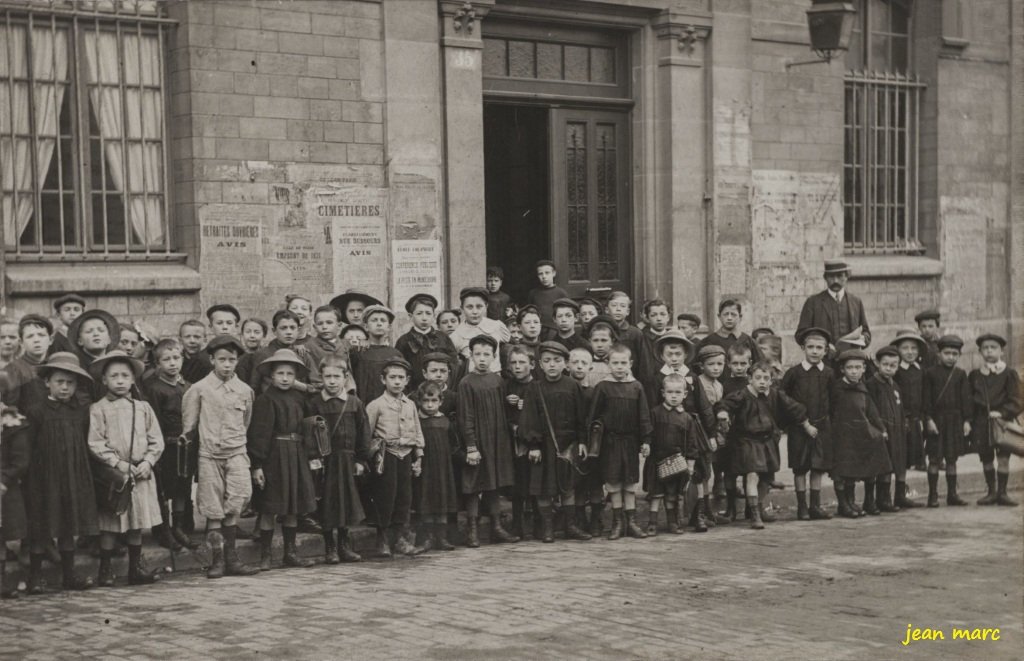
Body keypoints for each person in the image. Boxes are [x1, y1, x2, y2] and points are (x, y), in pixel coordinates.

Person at [180, 335, 260, 579]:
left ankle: (233, 559)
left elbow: (246, 422)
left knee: (235, 502)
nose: (227, 364)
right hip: (209, 456)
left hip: (236, 453)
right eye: (222, 359)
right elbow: (189, 427)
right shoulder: (199, 389)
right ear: (212, 360)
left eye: (232, 360)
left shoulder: (244, 390)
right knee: (213, 508)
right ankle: (217, 561)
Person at [87, 351, 164, 587]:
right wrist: (118, 463)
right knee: (110, 524)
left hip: (140, 473)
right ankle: (105, 570)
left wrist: (148, 462)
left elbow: (156, 440)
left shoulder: (143, 408)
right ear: (104, 380)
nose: (120, 381)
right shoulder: (98, 409)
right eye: (114, 376)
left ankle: (135, 569)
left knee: (136, 523)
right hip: (115, 476)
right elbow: (95, 442)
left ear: (132, 379)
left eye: (125, 376)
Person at [717, 361, 812, 529]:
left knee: (766, 478)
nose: (762, 382)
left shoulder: (775, 394)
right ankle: (754, 515)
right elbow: (725, 404)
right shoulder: (742, 395)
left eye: (766, 378)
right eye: (758, 378)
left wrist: (807, 425)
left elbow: (794, 408)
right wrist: (723, 414)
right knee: (752, 474)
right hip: (747, 441)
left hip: (768, 441)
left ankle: (758, 506)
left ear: (771, 380)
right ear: (750, 379)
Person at [248, 348, 318, 570]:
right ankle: (266, 555)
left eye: (290, 374)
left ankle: (290, 553)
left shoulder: (300, 398)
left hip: (296, 455)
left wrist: (311, 455)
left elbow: (307, 427)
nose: (285, 378)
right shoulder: (265, 399)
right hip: (274, 458)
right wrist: (257, 465)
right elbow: (259, 435)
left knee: (292, 507)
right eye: (280, 373)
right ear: (271, 375)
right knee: (269, 507)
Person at [517, 341, 591, 543]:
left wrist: (582, 441)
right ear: (540, 364)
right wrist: (533, 445)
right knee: (543, 487)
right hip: (543, 446)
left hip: (567, 445)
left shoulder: (573, 386)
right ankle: (547, 527)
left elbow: (581, 417)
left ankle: (570, 525)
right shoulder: (535, 388)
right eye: (547, 361)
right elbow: (529, 418)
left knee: (568, 486)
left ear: (565, 364)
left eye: (557, 360)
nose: (552, 365)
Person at [308, 355, 372, 562]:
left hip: (347, 460)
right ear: (321, 378)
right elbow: (309, 433)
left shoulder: (354, 403)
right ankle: (330, 547)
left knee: (346, 501)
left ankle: (344, 545)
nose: (332, 381)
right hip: (325, 461)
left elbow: (363, 432)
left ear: (345, 378)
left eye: (337, 376)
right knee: (327, 503)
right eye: (328, 377)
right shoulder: (315, 403)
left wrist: (361, 460)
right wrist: (314, 458)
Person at [587, 344, 653, 540]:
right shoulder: (603, 387)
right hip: (610, 442)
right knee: (614, 481)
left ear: (630, 364)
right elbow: (593, 417)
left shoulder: (636, 387)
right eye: (615, 363)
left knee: (630, 482)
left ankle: (631, 522)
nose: (619, 367)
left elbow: (644, 416)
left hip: (630, 441)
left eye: (623, 363)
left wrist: (646, 440)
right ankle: (617, 522)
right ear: (608, 364)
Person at [458, 334, 518, 547]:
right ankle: (472, 530)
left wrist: (512, 402)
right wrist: (471, 446)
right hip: (478, 441)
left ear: (493, 357)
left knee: (494, 483)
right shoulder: (466, 383)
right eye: (478, 354)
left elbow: (503, 411)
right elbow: (465, 416)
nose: (482, 359)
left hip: (497, 440)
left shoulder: (498, 381)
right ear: (471, 356)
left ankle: (496, 527)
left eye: (486, 354)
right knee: (474, 484)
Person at [141, 339, 197, 553]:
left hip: (185, 447)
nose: (172, 363)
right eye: (166, 359)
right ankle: (164, 530)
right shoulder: (154, 388)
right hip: (165, 448)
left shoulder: (189, 387)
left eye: (176, 358)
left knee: (183, 486)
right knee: (164, 489)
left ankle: (179, 527)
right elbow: (153, 421)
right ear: (158, 363)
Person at [366, 358, 424, 558]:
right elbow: (367, 434)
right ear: (383, 380)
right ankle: (382, 539)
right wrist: (370, 456)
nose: (397, 382)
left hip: (405, 455)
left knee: (403, 497)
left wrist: (418, 457)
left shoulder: (411, 405)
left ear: (407, 380)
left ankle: (400, 539)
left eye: (401, 378)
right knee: (385, 497)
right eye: (392, 377)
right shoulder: (376, 405)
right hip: (386, 456)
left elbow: (417, 432)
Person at [780, 327, 835, 521]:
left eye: (819, 348)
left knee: (818, 467)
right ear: (803, 348)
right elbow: (783, 397)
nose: (814, 351)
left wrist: (827, 424)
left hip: (821, 427)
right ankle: (802, 507)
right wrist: (800, 420)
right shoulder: (794, 373)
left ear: (826, 350)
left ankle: (815, 506)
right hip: (799, 429)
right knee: (800, 467)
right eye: (810, 347)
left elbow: (833, 400)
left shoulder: (829, 373)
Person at [830, 349, 892, 518]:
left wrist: (882, 429)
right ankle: (845, 503)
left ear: (864, 368)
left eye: (858, 367)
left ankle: (866, 501)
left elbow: (872, 411)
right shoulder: (837, 389)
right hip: (843, 435)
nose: (854, 371)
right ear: (842, 369)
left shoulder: (862, 388)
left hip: (861, 433)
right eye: (850, 368)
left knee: (870, 461)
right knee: (844, 471)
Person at [969, 333, 1021, 506]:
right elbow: (970, 400)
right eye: (985, 348)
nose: (989, 351)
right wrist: (970, 421)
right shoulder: (975, 375)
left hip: (1002, 423)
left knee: (1003, 457)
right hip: (981, 422)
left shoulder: (1009, 374)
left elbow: (1018, 399)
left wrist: (1003, 412)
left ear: (1001, 351)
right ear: (980, 352)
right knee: (986, 457)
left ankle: (1002, 493)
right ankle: (991, 492)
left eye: (993, 348)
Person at [643, 373, 699, 536]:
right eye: (670, 392)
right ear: (663, 393)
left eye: (678, 392)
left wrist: (690, 464)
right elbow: (648, 432)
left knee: (672, 494)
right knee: (655, 493)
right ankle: (652, 522)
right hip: (656, 460)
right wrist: (646, 444)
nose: (674, 396)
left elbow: (692, 443)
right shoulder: (655, 413)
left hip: (676, 463)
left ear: (685, 394)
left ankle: (672, 522)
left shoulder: (687, 418)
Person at [922, 335, 973, 508]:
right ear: (939, 354)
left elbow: (966, 400)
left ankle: (952, 494)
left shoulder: (960, 374)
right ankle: (932, 495)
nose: (950, 357)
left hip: (954, 422)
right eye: (947, 353)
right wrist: (928, 419)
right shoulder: (930, 374)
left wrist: (967, 421)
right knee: (934, 459)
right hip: (936, 421)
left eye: (954, 354)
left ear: (959, 355)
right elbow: (926, 400)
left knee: (952, 459)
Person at [413, 381, 460, 551]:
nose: (430, 405)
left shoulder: (445, 421)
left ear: (441, 401)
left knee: (442, 498)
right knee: (426, 498)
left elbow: (454, 444)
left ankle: (441, 537)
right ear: (419, 401)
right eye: (426, 401)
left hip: (443, 468)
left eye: (434, 401)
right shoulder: (418, 421)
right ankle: (427, 538)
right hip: (426, 467)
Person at [867, 346, 911, 513]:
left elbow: (900, 408)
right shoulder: (872, 384)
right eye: (885, 364)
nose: (889, 368)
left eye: (893, 365)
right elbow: (871, 409)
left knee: (896, 462)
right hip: (882, 431)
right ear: (877, 364)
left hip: (896, 430)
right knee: (884, 464)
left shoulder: (895, 386)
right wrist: (879, 428)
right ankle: (882, 499)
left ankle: (898, 496)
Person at [797, 260, 872, 355]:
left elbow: (866, 333)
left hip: (850, 359)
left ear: (847, 277)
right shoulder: (813, 302)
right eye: (831, 276)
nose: (835, 280)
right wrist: (821, 346)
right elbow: (801, 334)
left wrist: (862, 339)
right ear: (825, 278)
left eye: (840, 276)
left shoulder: (856, 302)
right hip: (823, 359)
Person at [567, 346, 604, 535]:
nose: (579, 366)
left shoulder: (594, 392)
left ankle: (596, 518)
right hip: (571, 442)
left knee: (595, 480)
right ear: (567, 365)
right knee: (577, 482)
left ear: (591, 367)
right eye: (575, 362)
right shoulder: (565, 391)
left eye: (584, 363)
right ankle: (579, 517)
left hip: (592, 443)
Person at [241, 310, 317, 395]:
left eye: (292, 328)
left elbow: (317, 386)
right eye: (283, 328)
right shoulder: (262, 355)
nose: (289, 332)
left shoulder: (302, 354)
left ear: (298, 330)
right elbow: (254, 387)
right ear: (274, 331)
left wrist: (297, 385)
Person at [396, 294, 459, 391]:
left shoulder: (443, 338)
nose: (424, 318)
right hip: (415, 390)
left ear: (434, 316)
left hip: (441, 390)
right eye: (419, 313)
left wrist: (447, 386)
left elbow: (453, 364)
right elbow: (400, 368)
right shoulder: (403, 341)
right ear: (410, 316)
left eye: (428, 313)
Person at [504, 344, 535, 540]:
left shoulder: (537, 385)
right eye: (513, 363)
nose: (517, 367)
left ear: (532, 365)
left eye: (522, 362)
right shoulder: (507, 385)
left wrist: (528, 406)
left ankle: (538, 522)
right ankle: (517, 525)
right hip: (512, 440)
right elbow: (503, 414)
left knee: (533, 482)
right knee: (517, 485)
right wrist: (507, 402)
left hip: (532, 441)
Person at [451, 287, 511, 374]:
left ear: (486, 306)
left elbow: (507, 343)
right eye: (469, 307)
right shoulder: (457, 335)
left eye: (479, 307)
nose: (475, 312)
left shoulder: (497, 326)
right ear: (462, 308)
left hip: (495, 377)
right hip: (472, 378)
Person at [350, 305, 403, 404]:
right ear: (366, 327)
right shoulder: (358, 352)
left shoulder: (395, 354)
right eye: (374, 320)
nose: (379, 323)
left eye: (383, 320)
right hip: (362, 403)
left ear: (389, 327)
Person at [892, 330, 928, 473]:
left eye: (914, 348)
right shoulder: (896, 371)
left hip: (917, 411)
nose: (910, 352)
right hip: (903, 412)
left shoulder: (921, 370)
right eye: (905, 348)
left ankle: (919, 461)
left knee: (918, 434)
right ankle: (902, 464)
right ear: (898, 350)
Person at [693, 298, 762, 368]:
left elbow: (760, 365)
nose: (729, 318)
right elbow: (695, 366)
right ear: (719, 316)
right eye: (726, 314)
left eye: (733, 314)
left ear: (740, 317)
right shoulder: (708, 341)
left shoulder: (748, 341)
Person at [2, 314, 52, 408]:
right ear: (21, 342)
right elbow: (10, 408)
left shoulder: (56, 365)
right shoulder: (13, 370)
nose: (36, 340)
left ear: (51, 340)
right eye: (30, 336)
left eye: (41, 335)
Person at [605, 291, 654, 386]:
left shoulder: (635, 333)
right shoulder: (602, 332)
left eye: (623, 306)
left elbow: (643, 363)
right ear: (607, 310)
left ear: (628, 311)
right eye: (614, 305)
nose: (618, 309)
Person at [528, 259, 570, 334]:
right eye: (540, 274)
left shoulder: (561, 293)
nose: (544, 276)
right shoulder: (533, 293)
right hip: (538, 330)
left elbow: (567, 315)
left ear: (554, 273)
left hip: (556, 330)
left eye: (547, 273)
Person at [179, 319, 210, 384]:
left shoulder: (208, 363)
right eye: (187, 337)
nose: (192, 341)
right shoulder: (176, 361)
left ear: (205, 340)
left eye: (197, 337)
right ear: (180, 340)